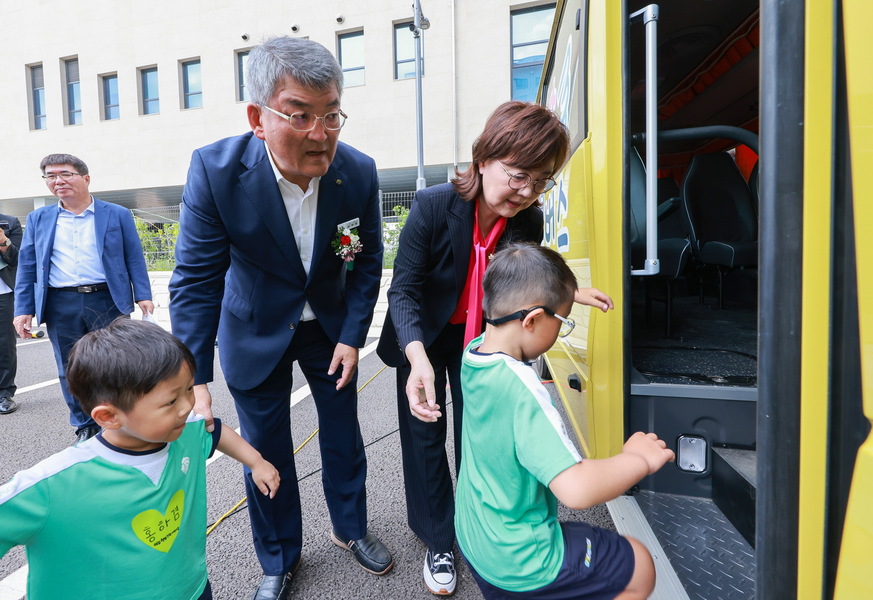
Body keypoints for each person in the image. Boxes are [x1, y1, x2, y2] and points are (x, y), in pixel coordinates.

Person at [168, 36, 388, 600]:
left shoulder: (357, 173)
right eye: (301, 114)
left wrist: (351, 335)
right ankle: (278, 556)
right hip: (255, 329)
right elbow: (195, 280)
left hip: (330, 333)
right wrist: (193, 379)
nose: (321, 133)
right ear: (258, 118)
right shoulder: (216, 171)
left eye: (332, 113)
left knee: (343, 435)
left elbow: (365, 264)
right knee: (264, 448)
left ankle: (350, 528)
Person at [376, 100, 613, 595]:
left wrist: (564, 293)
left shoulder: (527, 220)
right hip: (425, 336)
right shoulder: (434, 206)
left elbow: (524, 276)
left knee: (479, 438)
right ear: (484, 159)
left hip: (483, 341)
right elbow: (404, 290)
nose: (527, 191)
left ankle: (480, 530)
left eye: (541, 180)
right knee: (423, 442)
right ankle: (439, 541)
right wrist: (415, 356)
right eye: (518, 175)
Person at [0, 318, 280, 600]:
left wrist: (256, 462)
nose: (188, 407)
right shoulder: (53, 484)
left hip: (193, 590)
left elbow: (214, 431)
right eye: (171, 401)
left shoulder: (185, 434)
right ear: (108, 416)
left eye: (188, 390)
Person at [455, 243, 674, 600]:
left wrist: (567, 295)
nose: (561, 328)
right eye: (563, 320)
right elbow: (577, 489)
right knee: (639, 564)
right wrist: (638, 458)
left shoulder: (475, 353)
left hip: (477, 538)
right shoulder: (523, 390)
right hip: (523, 558)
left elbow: (519, 296)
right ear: (531, 320)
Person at [13, 154, 154, 441]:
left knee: (115, 365)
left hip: (107, 299)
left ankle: (120, 421)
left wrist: (143, 294)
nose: (58, 181)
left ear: (85, 178)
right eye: (50, 176)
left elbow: (134, 257)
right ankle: (85, 425)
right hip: (60, 302)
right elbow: (27, 265)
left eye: (65, 174)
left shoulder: (116, 214)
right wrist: (23, 309)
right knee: (70, 368)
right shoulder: (39, 219)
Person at [0, 213, 22, 415]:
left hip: (2, 292)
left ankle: (4, 393)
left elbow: (18, 259)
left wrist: (3, 241)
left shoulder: (10, 223)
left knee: (4, 344)